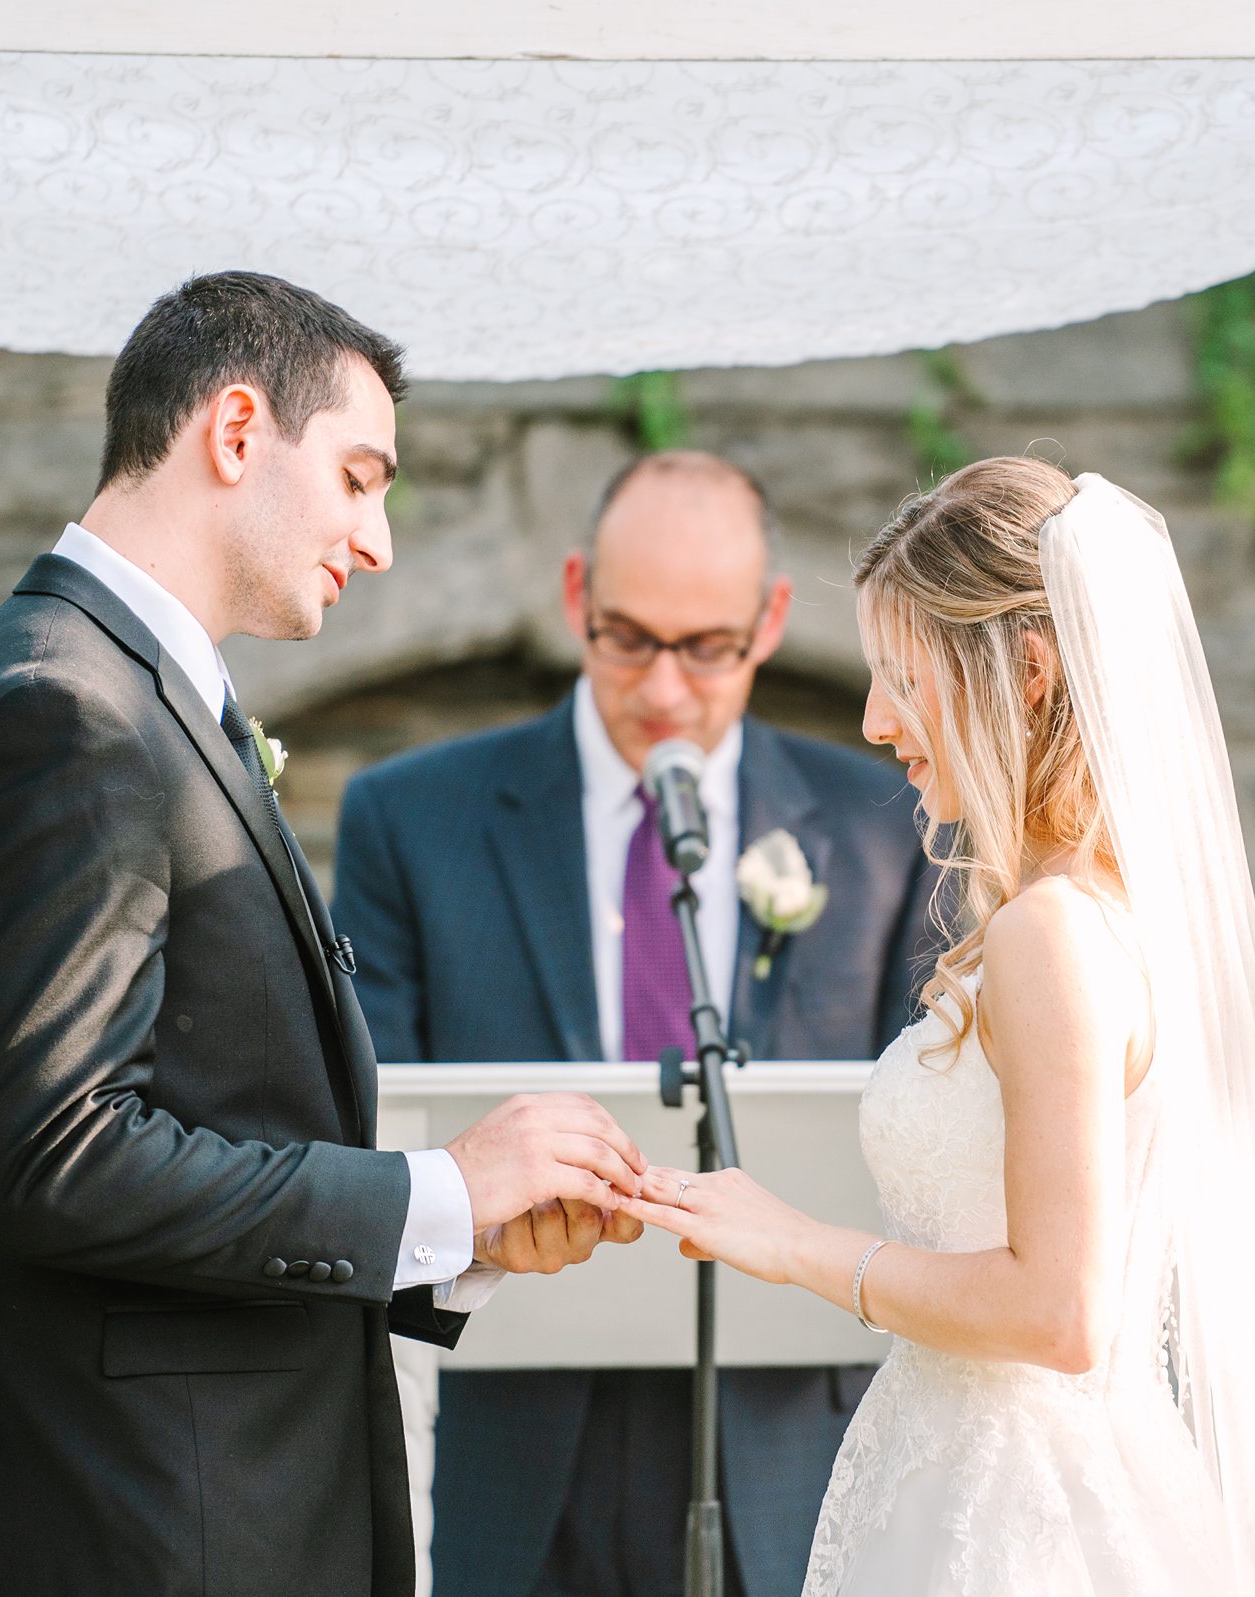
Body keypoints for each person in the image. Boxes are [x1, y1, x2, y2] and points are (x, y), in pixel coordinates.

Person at [0, 272, 647, 1597]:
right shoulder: (65, 714)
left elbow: (201, 1113)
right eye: (358, 476)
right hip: (132, 1529)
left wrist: (453, 1245)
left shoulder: (123, 693)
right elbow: (60, 1156)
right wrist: (433, 1191)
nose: (380, 536)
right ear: (235, 431)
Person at [619, 458, 1255, 1596]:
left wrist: (793, 1245)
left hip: (1018, 1525)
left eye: (905, 678)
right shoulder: (1109, 914)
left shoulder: (1052, 935)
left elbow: (1061, 1308)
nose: (877, 721)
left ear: (1025, 668)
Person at [333, 450, 940, 1597]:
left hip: (788, 1433)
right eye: (627, 638)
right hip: (514, 1423)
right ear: (575, 599)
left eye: (705, 647)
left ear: (768, 622)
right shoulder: (411, 820)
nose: (664, 688)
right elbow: (371, 1141)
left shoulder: (880, 827)